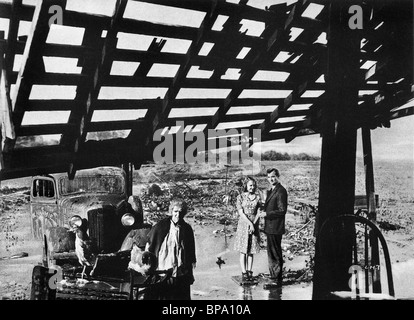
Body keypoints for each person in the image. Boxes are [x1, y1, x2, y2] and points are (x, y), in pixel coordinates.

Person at [145, 199, 196, 300]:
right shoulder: (160, 227)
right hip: (165, 269)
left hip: (180, 270)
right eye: (175, 211)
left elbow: (190, 252)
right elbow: (150, 245)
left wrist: (189, 271)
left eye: (181, 212)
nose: (178, 214)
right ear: (171, 211)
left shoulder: (187, 229)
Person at [233, 177, 262, 281]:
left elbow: (258, 212)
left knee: (251, 250)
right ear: (246, 186)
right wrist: (250, 223)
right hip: (243, 225)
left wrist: (253, 224)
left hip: (254, 225)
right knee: (243, 250)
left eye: (254, 185)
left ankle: (250, 271)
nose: (252, 187)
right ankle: (244, 272)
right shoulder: (240, 197)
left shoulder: (258, 197)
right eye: (250, 185)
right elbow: (241, 213)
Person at [263, 168, 288, 285]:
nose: (271, 179)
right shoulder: (272, 190)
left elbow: (282, 210)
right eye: (268, 177)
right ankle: (274, 276)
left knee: (275, 252)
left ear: (277, 176)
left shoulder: (281, 191)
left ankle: (276, 279)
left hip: (275, 227)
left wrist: (267, 214)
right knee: (271, 252)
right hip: (270, 226)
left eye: (273, 176)